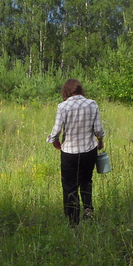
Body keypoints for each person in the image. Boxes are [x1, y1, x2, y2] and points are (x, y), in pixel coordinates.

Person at [46, 79, 105, 226]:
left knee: (70, 185)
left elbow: (57, 130)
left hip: (69, 152)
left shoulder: (63, 107)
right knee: (86, 180)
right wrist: (101, 142)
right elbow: (98, 129)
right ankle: (88, 210)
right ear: (81, 90)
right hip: (89, 150)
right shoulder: (92, 104)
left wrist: (54, 141)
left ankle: (73, 221)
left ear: (66, 92)